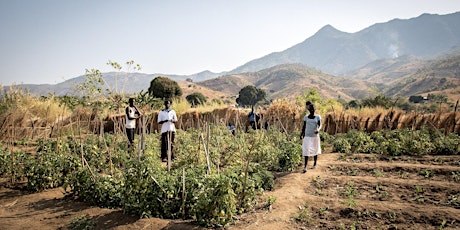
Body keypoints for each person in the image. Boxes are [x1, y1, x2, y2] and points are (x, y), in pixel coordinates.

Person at [300, 102, 321, 173]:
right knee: (306, 150)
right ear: (309, 110)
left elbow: (320, 125)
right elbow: (304, 126)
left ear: (314, 110)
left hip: (315, 136)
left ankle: (314, 163)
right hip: (307, 136)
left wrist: (318, 130)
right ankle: (305, 167)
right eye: (311, 109)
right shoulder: (306, 117)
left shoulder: (318, 117)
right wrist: (301, 134)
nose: (312, 111)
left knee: (315, 150)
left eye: (313, 109)